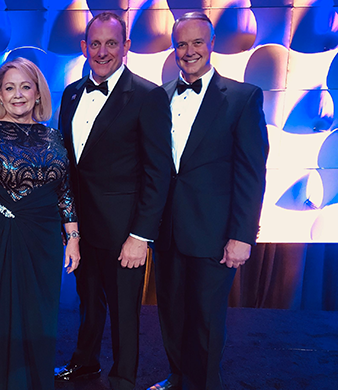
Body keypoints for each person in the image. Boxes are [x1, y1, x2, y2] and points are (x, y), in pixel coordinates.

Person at [148, 12, 269, 390]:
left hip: (215, 235)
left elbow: (252, 173)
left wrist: (242, 235)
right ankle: (178, 377)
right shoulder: (160, 96)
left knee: (206, 319)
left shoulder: (242, 97)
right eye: (182, 44)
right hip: (168, 230)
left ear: (212, 44)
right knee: (170, 312)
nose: (189, 51)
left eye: (197, 42)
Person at [54, 11, 173, 390]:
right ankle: (85, 363)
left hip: (125, 231)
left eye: (111, 43)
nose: (102, 51)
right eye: (95, 43)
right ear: (83, 46)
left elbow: (158, 171)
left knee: (124, 311)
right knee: (87, 301)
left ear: (126, 46)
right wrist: (67, 224)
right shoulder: (72, 92)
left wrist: (140, 235)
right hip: (80, 227)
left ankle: (124, 377)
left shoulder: (148, 95)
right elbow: (68, 163)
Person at [0, 57, 81, 390]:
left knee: (39, 319)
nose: (18, 95)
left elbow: (65, 190)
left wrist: (73, 237)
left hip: (43, 243)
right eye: (9, 88)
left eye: (25, 87)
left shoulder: (54, 137)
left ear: (38, 93)